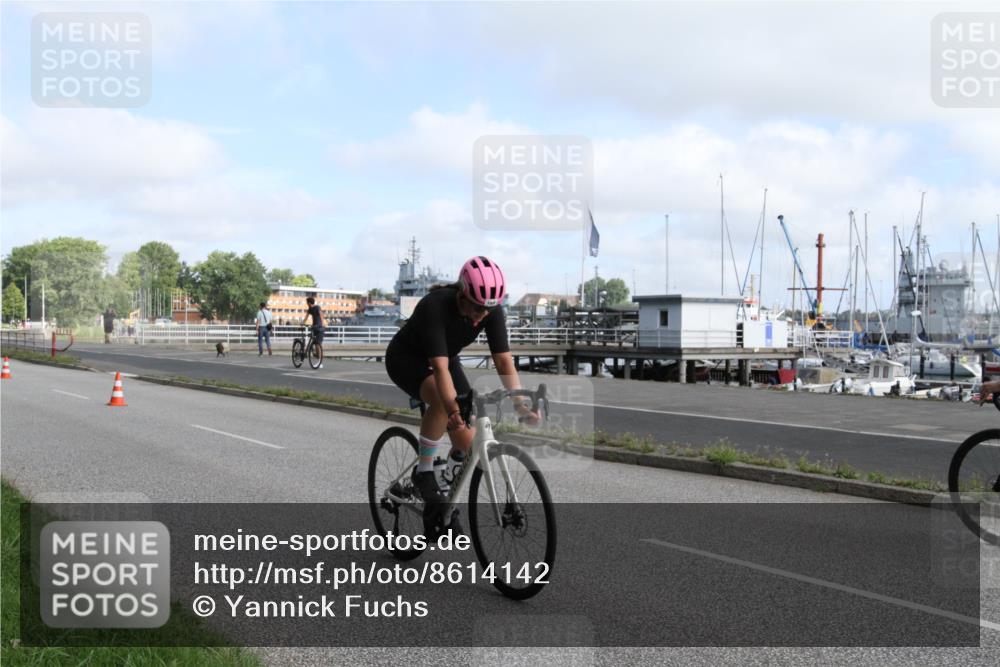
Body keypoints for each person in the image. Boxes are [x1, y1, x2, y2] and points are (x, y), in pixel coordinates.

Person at [385, 256, 540, 538]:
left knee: (469, 447)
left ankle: (441, 493)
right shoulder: (435, 306)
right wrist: (452, 410)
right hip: (407, 359)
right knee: (446, 405)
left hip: (446, 359)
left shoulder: (492, 312)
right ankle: (424, 473)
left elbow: (504, 361)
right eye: (477, 307)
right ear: (463, 295)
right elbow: (440, 368)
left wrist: (520, 404)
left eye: (488, 309)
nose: (482, 315)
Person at [302, 296, 324, 368]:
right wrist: (303, 323)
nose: (306, 304)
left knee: (318, 344)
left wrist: (322, 324)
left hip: (319, 328)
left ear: (309, 303)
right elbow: (306, 317)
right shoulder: (310, 309)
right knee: (314, 343)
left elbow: (321, 315)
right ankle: (314, 353)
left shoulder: (317, 307)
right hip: (314, 327)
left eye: (307, 303)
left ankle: (319, 362)